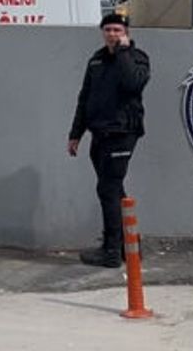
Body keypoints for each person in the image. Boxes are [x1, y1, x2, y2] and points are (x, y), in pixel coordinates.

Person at [67, 13, 151, 268]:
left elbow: (133, 83)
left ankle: (111, 251)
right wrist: (76, 133)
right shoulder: (96, 60)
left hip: (122, 132)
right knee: (114, 189)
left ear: (126, 33)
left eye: (117, 30)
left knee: (108, 189)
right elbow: (85, 97)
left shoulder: (137, 57)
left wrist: (123, 52)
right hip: (99, 133)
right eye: (108, 30)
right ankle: (129, 245)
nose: (112, 34)